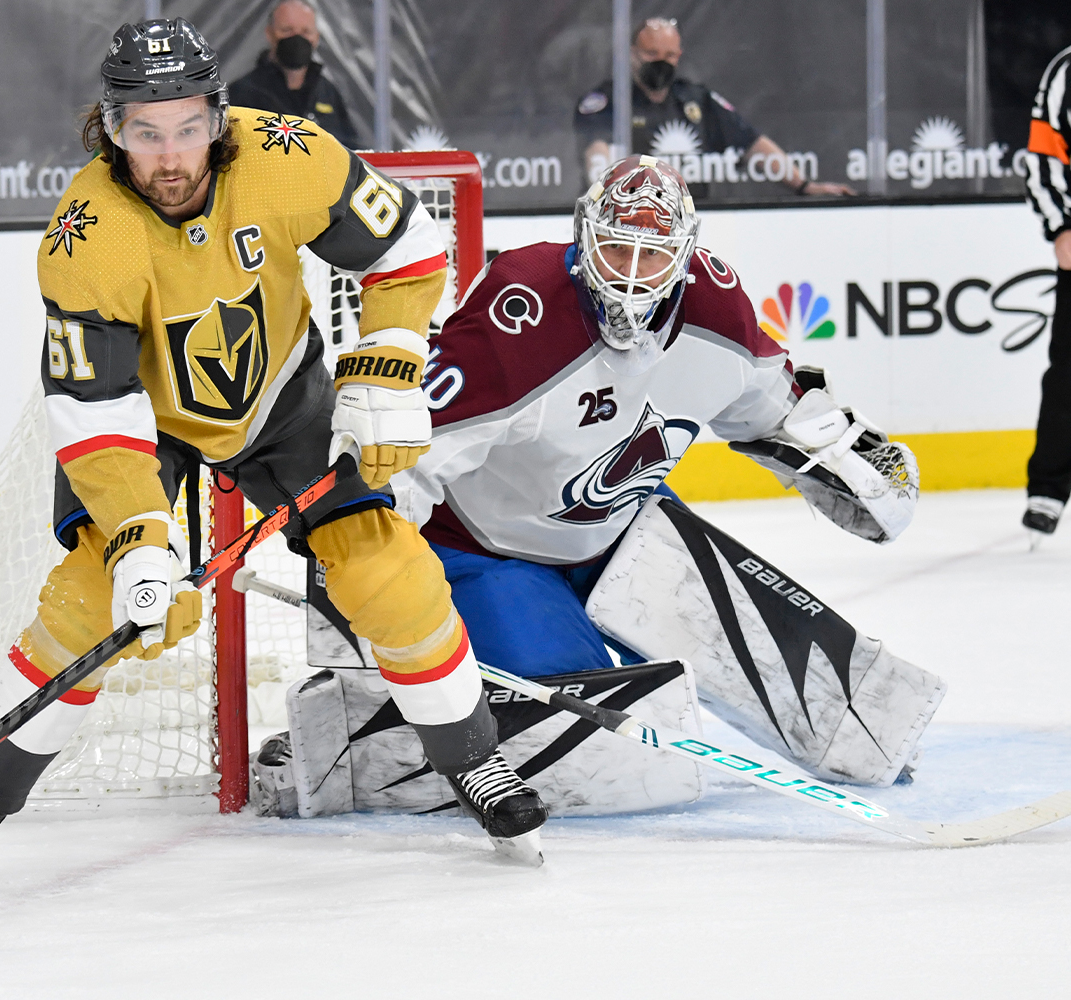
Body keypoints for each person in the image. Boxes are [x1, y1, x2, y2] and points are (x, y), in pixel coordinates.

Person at [0, 17, 548, 885]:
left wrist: (388, 364)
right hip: (150, 421)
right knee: (92, 601)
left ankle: (475, 759)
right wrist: (137, 535)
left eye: (188, 128)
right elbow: (96, 410)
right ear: (109, 129)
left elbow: (408, 250)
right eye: (144, 133)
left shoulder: (290, 157)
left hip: (284, 395)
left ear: (219, 115)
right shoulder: (83, 237)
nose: (170, 157)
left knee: (383, 568)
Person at [391, 156, 939, 787]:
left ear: (684, 255)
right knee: (596, 757)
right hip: (484, 550)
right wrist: (365, 562)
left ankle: (856, 736)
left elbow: (773, 405)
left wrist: (845, 455)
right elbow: (411, 454)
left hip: (623, 530)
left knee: (863, 730)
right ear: (585, 236)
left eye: (650, 255)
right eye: (616, 248)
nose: (628, 274)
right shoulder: (521, 308)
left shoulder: (715, 309)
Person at [576, 18, 854, 199]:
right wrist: (607, 198)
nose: (661, 62)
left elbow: (752, 144)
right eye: (652, 54)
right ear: (632, 53)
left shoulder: (697, 100)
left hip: (690, 217)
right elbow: (596, 153)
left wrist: (804, 186)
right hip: (631, 218)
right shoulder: (608, 101)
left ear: (680, 56)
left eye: (670, 55)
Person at [1022, 44, 1071, 537]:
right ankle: (1049, 490)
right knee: (1068, 375)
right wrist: (1061, 227)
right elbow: (1044, 155)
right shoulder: (1067, 69)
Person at [228, 0, 362, 149]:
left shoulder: (328, 93)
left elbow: (351, 149)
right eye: (287, 30)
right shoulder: (243, 93)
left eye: (306, 32)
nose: (297, 38)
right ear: (269, 33)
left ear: (316, 37)